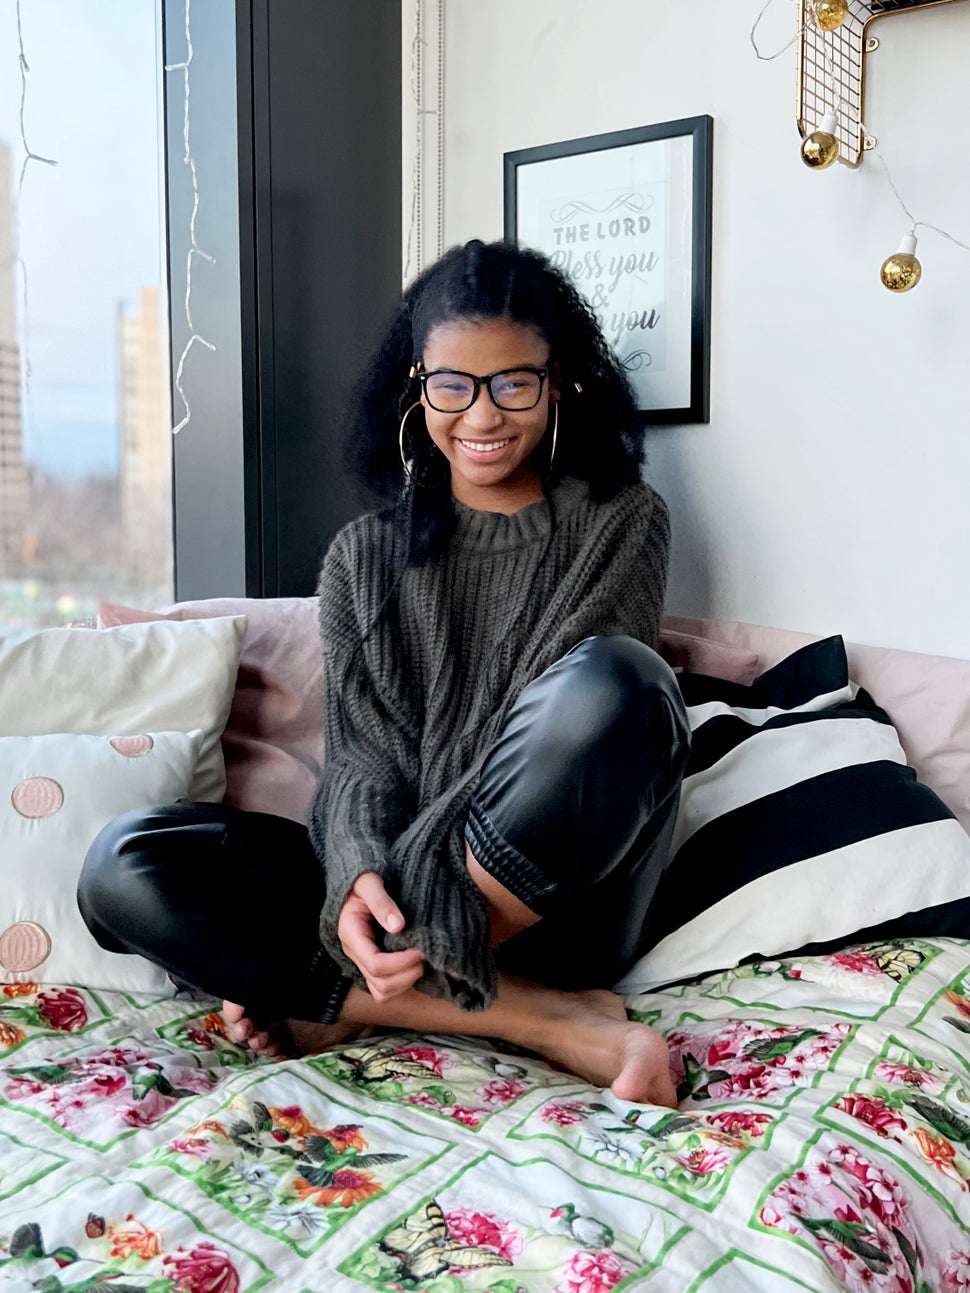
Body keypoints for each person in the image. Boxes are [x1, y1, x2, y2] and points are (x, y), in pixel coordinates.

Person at [79, 239, 690, 1108]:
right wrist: (359, 873)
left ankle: (350, 997)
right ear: (416, 387)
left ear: (559, 384)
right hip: (396, 899)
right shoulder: (362, 556)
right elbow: (365, 760)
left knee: (620, 687)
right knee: (123, 864)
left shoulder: (621, 521)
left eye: (514, 382)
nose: (482, 416)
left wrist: (372, 917)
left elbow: (561, 737)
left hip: (548, 898)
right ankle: (549, 1020)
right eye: (453, 385)